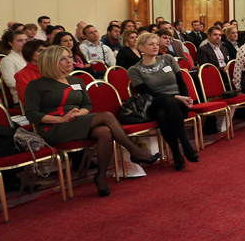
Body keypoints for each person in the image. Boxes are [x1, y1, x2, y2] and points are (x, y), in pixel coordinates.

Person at [25, 45, 160, 196]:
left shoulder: (76, 81)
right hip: (54, 127)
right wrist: (61, 119)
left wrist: (77, 114)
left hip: (76, 121)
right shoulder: (36, 85)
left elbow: (87, 106)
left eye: (69, 57)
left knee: (104, 131)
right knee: (107, 116)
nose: (69, 61)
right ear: (50, 62)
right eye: (63, 58)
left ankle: (100, 176)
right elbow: (31, 114)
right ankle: (134, 151)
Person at [127, 32, 200, 171]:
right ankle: (185, 144)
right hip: (154, 103)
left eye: (156, 44)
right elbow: (147, 93)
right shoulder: (134, 70)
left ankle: (177, 154)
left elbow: (181, 82)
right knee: (165, 102)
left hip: (177, 105)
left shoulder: (168, 59)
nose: (155, 47)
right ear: (141, 48)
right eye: (151, 44)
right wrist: (176, 97)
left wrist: (186, 98)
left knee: (163, 114)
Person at [0, 30, 28, 103]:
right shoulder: (7, 60)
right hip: (22, 96)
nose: (24, 43)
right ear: (10, 43)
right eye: (20, 40)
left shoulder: (31, 57)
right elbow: (11, 83)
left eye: (26, 40)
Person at [14, 40, 46, 105]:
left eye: (47, 51)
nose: (45, 53)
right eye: (40, 50)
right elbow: (28, 100)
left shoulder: (54, 69)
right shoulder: (22, 75)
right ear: (30, 53)